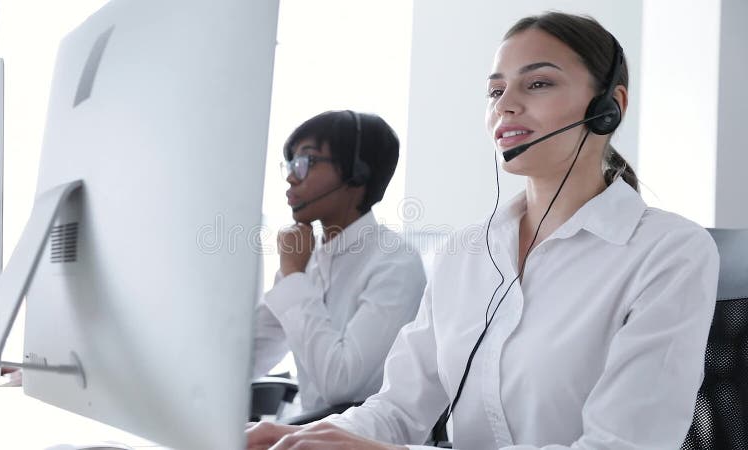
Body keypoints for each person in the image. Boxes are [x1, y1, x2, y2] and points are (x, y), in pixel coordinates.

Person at [246, 12, 719, 449]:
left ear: (608, 107)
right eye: (495, 91)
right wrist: (302, 437)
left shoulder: (668, 253)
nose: (506, 106)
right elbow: (398, 409)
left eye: (537, 83)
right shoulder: (464, 254)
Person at [252, 110, 427, 415]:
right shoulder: (311, 258)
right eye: (291, 163)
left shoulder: (395, 264)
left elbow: (342, 385)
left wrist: (293, 276)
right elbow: (247, 354)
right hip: (311, 437)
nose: (292, 176)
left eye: (306, 162)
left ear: (357, 173)